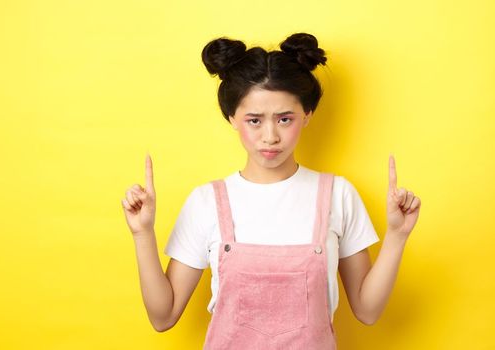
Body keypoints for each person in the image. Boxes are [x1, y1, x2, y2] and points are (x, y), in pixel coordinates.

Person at [121, 33, 421, 349]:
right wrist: (142, 234)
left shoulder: (337, 195)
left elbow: (368, 311)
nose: (270, 136)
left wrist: (397, 236)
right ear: (231, 118)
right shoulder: (206, 202)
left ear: (307, 115)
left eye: (284, 119)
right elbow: (163, 316)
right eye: (254, 120)